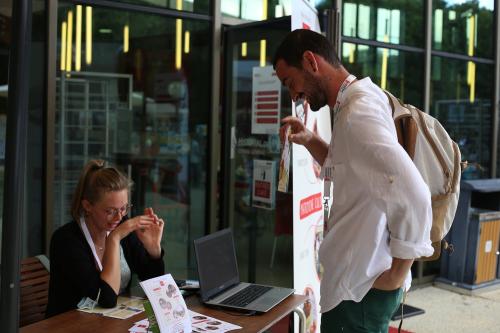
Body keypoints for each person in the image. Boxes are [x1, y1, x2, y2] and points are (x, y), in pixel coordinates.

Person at [273, 29, 433, 332]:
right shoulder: (359, 99)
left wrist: (397, 274)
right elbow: (353, 169)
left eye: (289, 82)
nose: (293, 95)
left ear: (310, 61)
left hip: (359, 292)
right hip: (357, 287)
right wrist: (310, 140)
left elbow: (416, 196)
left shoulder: (357, 112)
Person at [46, 160, 166, 317]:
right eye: (110, 211)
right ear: (87, 205)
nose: (119, 217)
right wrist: (115, 238)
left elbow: (154, 284)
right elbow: (105, 298)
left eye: (124, 208)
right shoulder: (66, 240)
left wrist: (154, 251)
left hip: (113, 321)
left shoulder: (122, 225)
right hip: (71, 324)